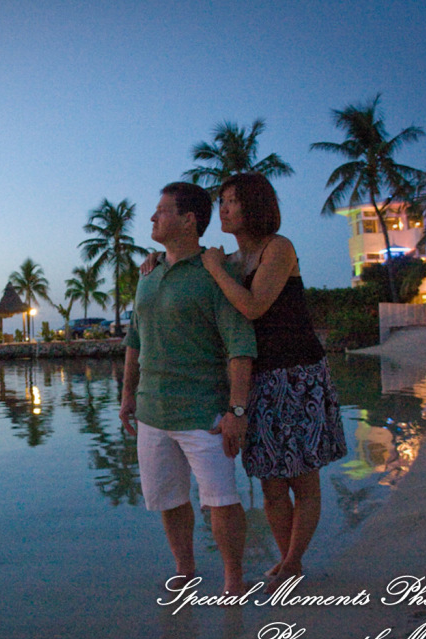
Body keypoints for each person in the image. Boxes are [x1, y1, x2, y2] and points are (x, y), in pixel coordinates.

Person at [147, 173, 346, 594]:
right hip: (259, 380)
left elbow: (253, 307)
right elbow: (199, 272)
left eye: (232, 201)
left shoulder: (279, 248)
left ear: (254, 206)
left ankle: (293, 561)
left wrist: (216, 268)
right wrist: (157, 263)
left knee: (303, 480)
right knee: (271, 483)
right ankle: (284, 560)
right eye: (222, 202)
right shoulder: (233, 262)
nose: (224, 209)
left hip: (297, 375)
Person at [120, 182, 257, 596]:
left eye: (162, 210)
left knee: (221, 498)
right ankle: (185, 568)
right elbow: (134, 341)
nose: (152, 217)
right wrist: (127, 396)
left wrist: (236, 411)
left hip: (203, 411)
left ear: (188, 220)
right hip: (152, 412)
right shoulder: (148, 274)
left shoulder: (216, 274)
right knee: (168, 498)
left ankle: (234, 579)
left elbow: (239, 346)